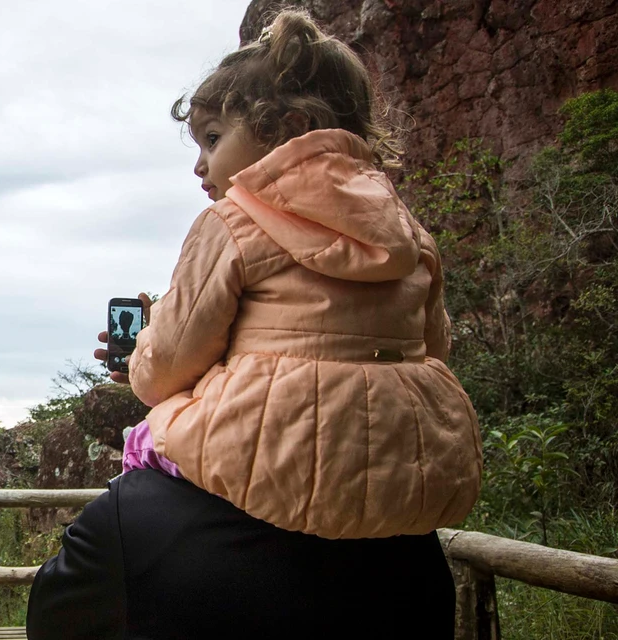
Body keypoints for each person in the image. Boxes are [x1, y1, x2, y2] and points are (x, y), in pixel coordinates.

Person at [27, 9, 480, 638]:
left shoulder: (233, 221)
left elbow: (167, 368)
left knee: (154, 434)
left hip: (266, 447)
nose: (200, 165)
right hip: (395, 475)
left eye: (212, 139)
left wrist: (148, 346)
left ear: (287, 131)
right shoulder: (407, 230)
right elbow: (432, 350)